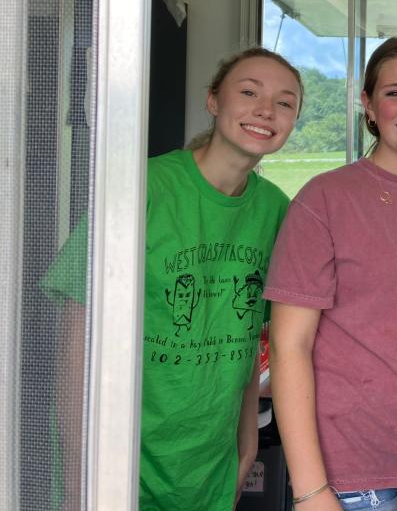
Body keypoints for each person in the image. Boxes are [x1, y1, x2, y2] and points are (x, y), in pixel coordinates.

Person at [43, 47, 304, 510]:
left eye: (285, 102)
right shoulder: (141, 189)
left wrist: (245, 447)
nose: (266, 110)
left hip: (208, 472)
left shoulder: (275, 211)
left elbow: (244, 341)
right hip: (118, 467)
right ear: (212, 101)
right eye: (249, 92)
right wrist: (80, 475)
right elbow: (75, 344)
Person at [266, 35, 397, 511]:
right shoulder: (323, 200)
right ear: (367, 104)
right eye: (393, 92)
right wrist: (310, 490)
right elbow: (289, 346)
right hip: (350, 467)